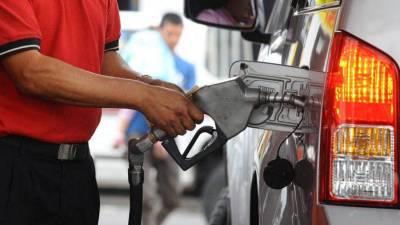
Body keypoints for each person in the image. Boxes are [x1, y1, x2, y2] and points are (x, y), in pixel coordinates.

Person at [0, 1, 203, 225]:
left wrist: (151, 85)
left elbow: (106, 58)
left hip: (77, 167)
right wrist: (143, 95)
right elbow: (29, 71)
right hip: (15, 162)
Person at [114, 13, 196, 225]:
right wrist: (120, 131)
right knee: (146, 198)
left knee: (172, 196)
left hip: (167, 133)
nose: (173, 39)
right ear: (160, 32)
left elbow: (185, 106)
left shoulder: (184, 67)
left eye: (177, 35)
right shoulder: (143, 59)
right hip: (137, 131)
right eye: (169, 34)